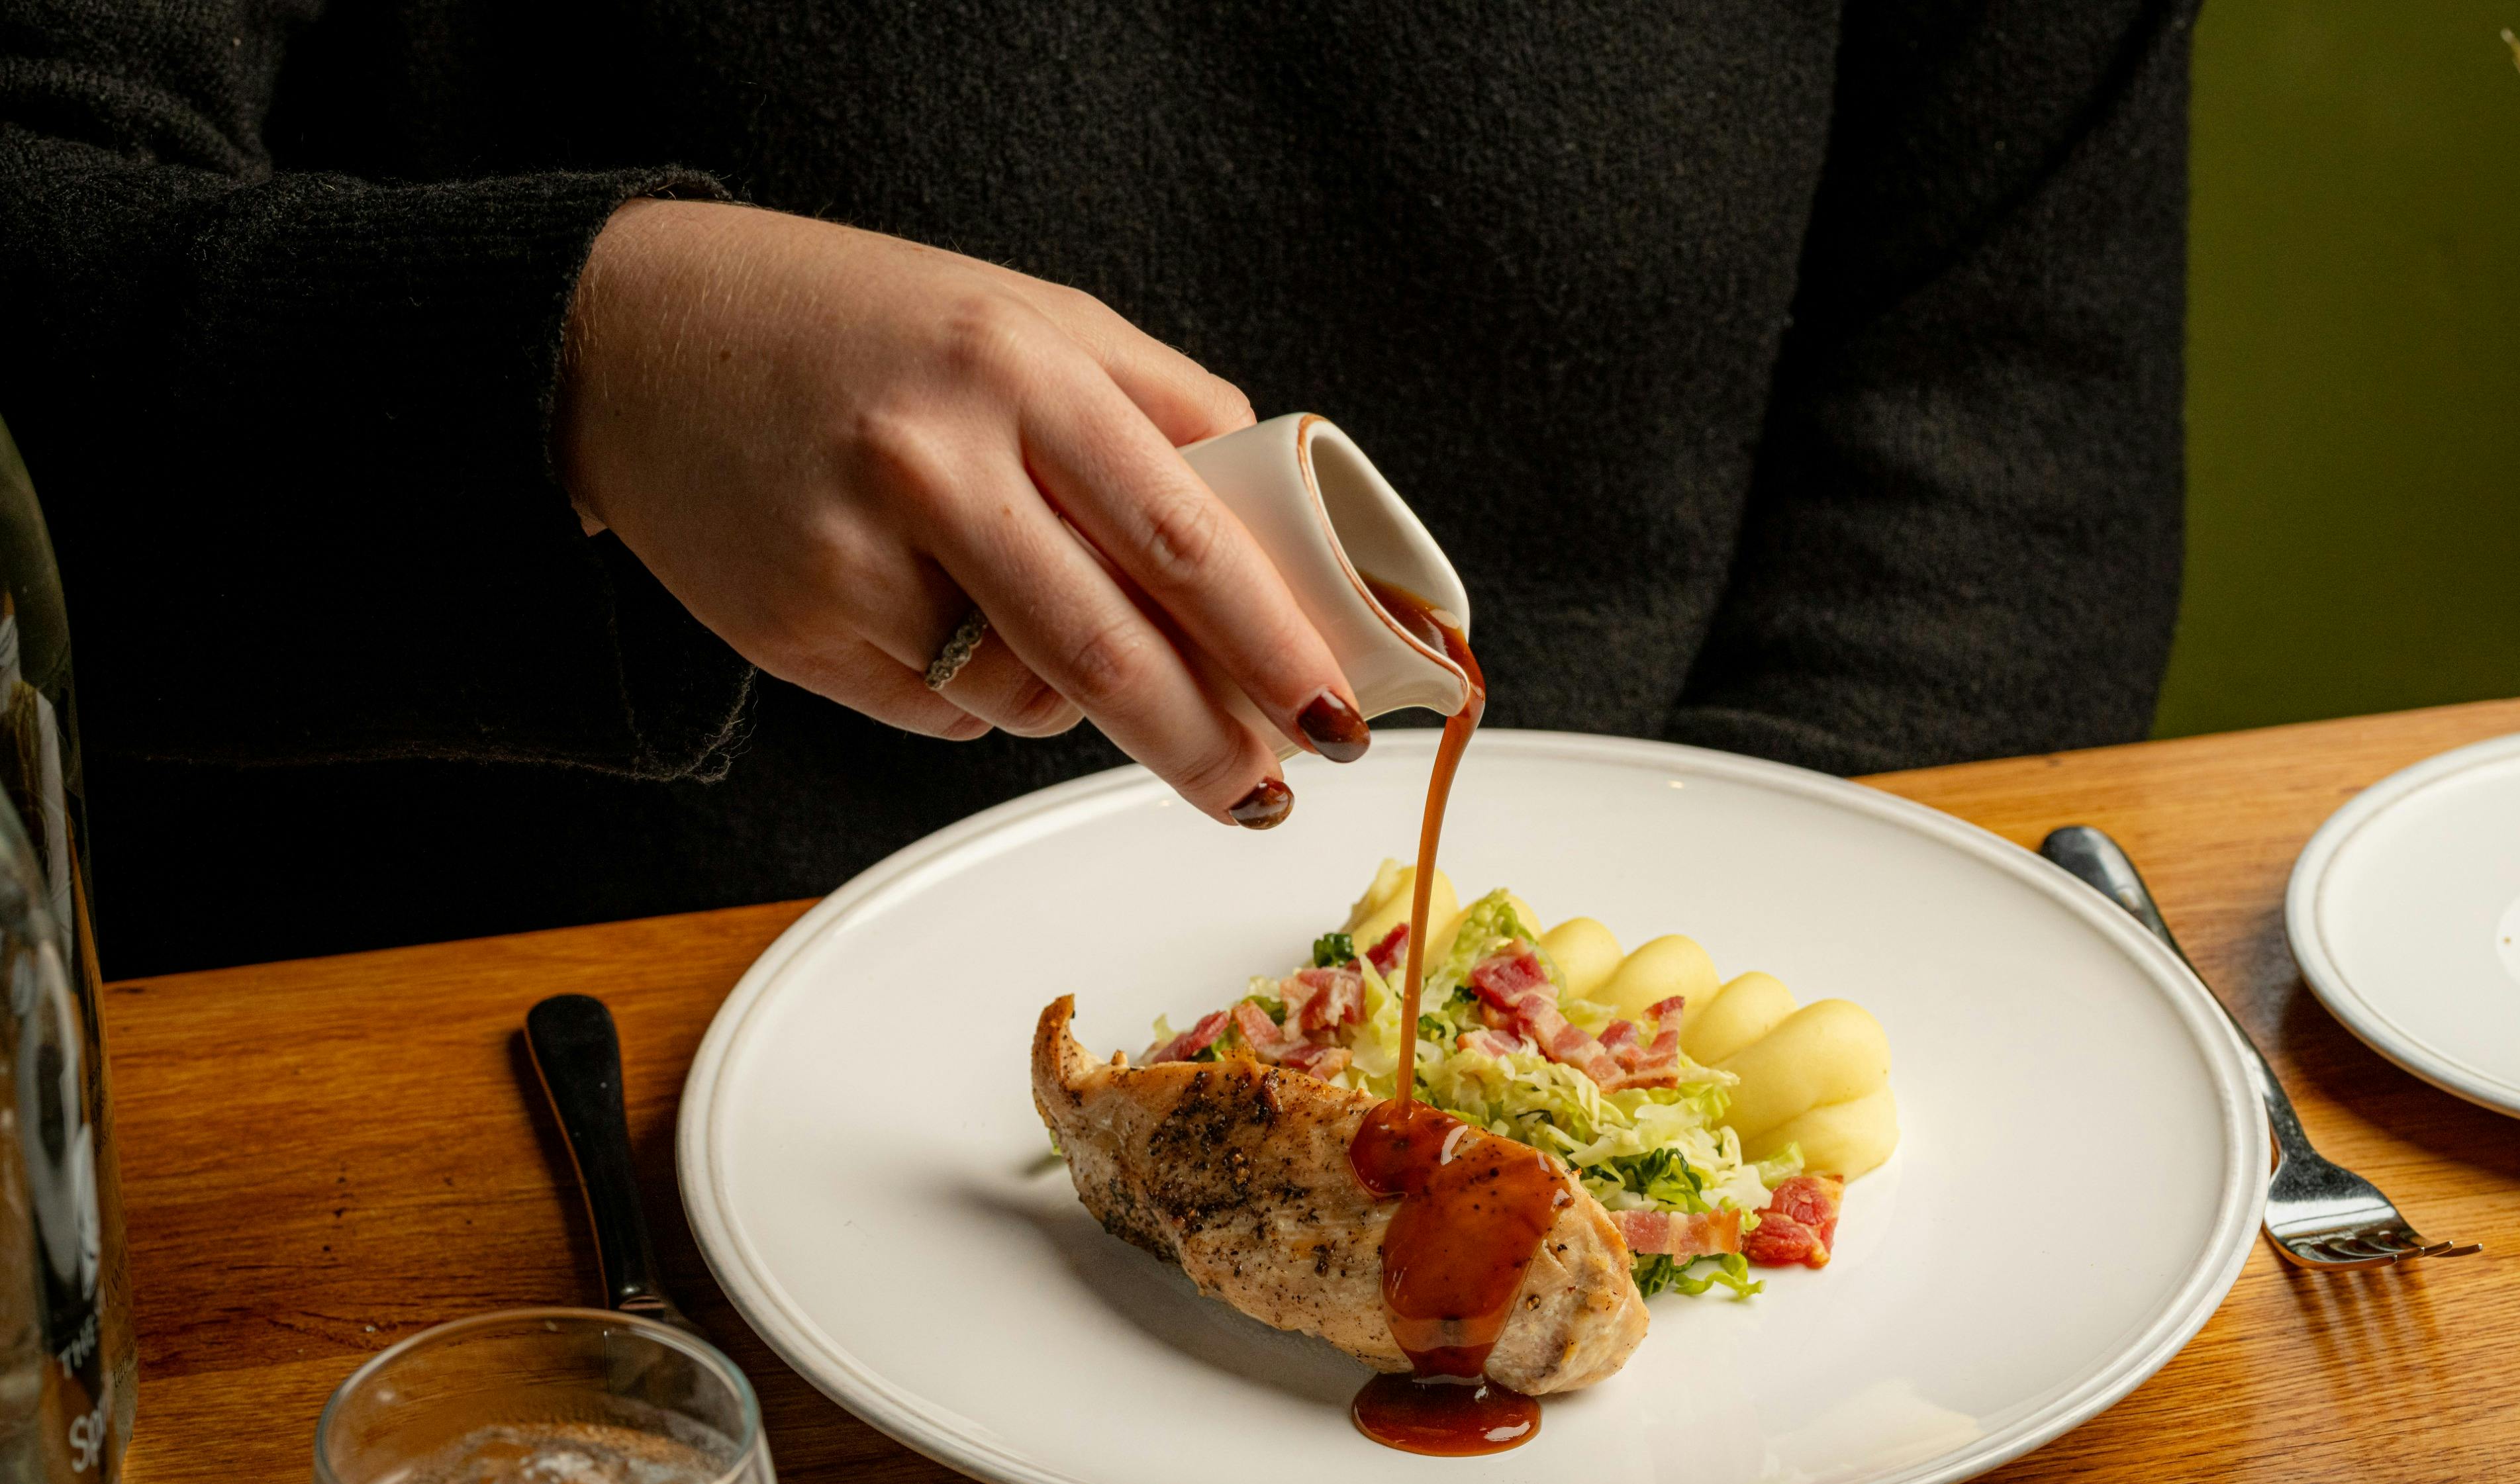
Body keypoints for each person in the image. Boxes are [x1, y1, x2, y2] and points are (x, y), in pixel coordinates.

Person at [0, 0, 2195, 978]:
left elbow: (1988, 451)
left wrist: (1658, 1081)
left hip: (1634, 1104)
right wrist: (591, 353)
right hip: (498, 1125)